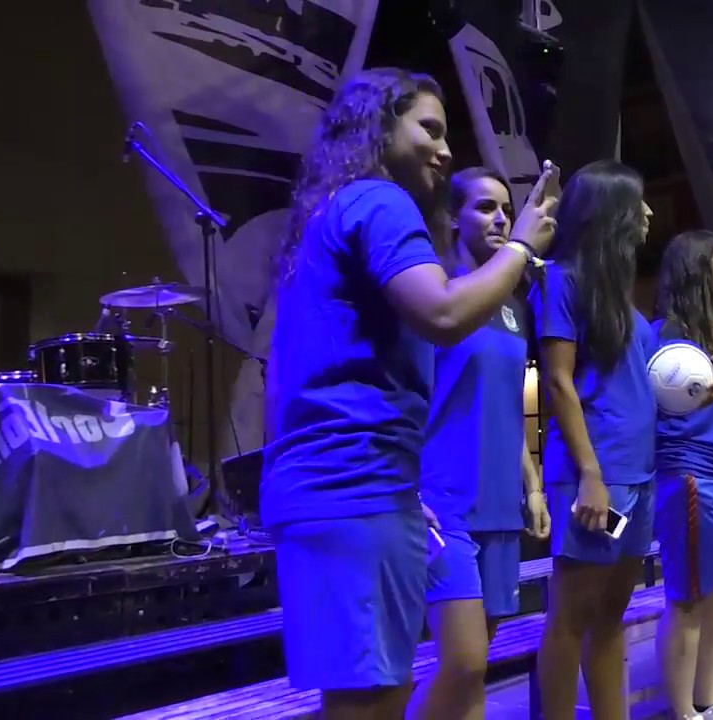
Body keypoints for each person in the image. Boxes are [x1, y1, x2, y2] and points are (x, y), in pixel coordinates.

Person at [262, 68, 556, 719]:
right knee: (372, 701)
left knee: (380, 694)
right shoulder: (379, 199)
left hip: (354, 485)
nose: (446, 150)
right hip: (355, 485)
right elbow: (443, 314)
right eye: (430, 128)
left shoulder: (331, 213)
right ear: (380, 125)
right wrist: (524, 249)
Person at [410, 167, 553, 720]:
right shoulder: (435, 295)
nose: (499, 218)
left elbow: (506, 404)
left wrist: (533, 483)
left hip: (499, 501)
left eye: (505, 209)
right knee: (463, 660)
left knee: (479, 662)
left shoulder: (514, 308)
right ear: (452, 217)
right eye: (484, 207)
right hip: (442, 499)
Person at [531, 160, 657, 720]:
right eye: (639, 205)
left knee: (611, 618)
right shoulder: (563, 280)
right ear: (611, 216)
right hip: (597, 482)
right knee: (569, 621)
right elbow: (558, 381)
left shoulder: (625, 304)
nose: (650, 214)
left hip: (640, 478)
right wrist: (590, 474)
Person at [651, 231, 713, 720]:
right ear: (696, 270)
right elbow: (646, 410)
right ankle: (682, 713)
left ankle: (708, 702)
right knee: (687, 599)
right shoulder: (665, 338)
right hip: (694, 477)